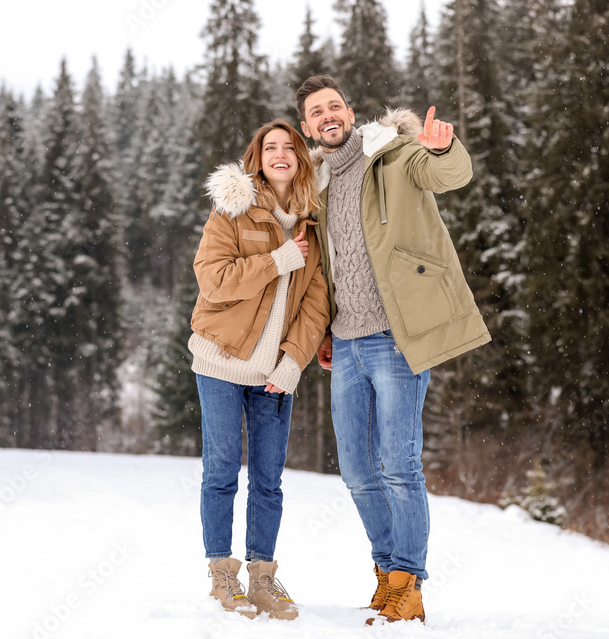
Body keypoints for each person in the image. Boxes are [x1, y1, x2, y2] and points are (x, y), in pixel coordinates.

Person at [294, 75, 491, 624]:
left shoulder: (395, 153)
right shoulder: (321, 180)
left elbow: (450, 174)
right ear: (309, 126)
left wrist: (443, 147)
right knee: (357, 470)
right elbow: (329, 264)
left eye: (335, 105)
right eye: (316, 112)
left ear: (350, 111)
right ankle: (386, 575)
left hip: (395, 337)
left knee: (399, 464)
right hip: (349, 343)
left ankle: (410, 582)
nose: (328, 115)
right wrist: (328, 330)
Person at [189, 119, 330, 621]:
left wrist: (293, 362)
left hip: (274, 373)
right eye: (269, 147)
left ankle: (263, 579)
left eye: (289, 146)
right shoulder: (233, 208)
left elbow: (317, 304)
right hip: (221, 360)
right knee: (222, 471)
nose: (280, 153)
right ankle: (222, 573)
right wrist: (277, 260)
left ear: (301, 158)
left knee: (268, 480)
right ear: (257, 157)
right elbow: (214, 280)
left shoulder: (315, 220)